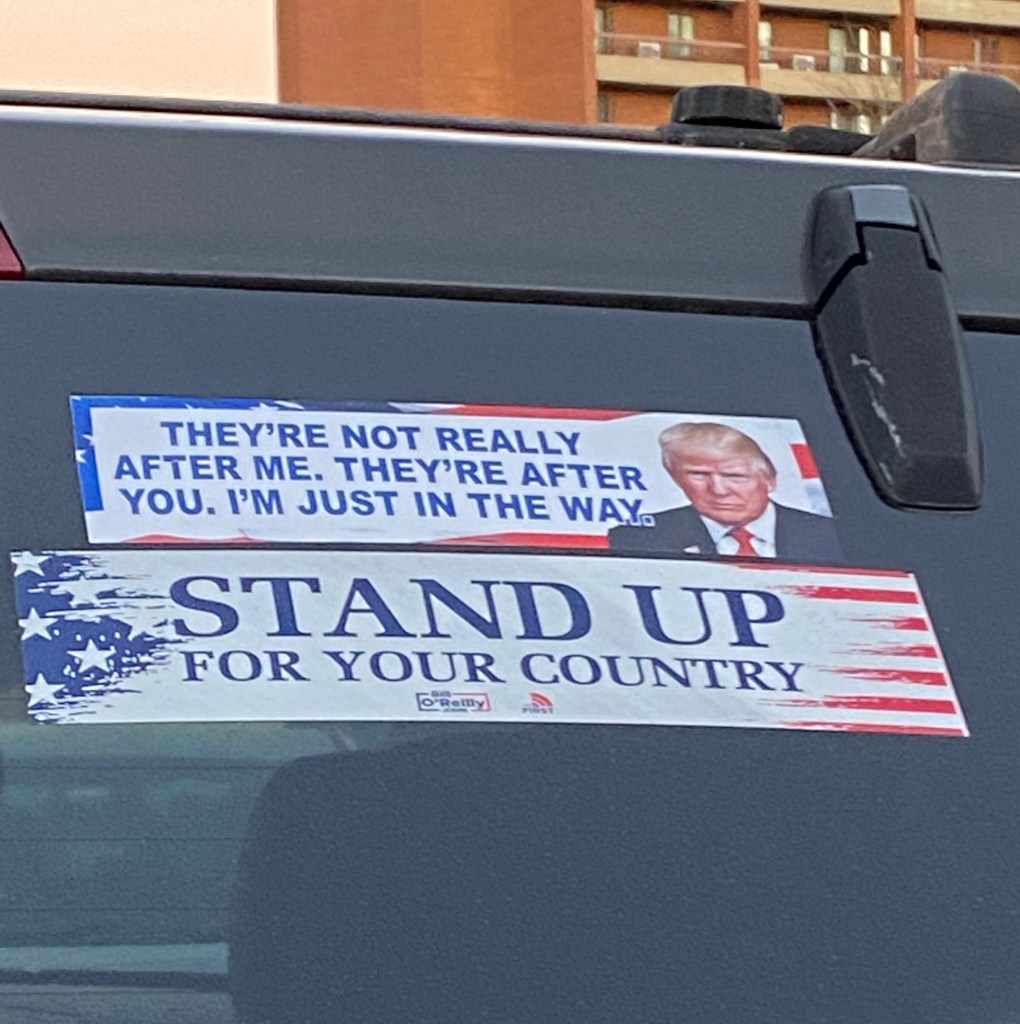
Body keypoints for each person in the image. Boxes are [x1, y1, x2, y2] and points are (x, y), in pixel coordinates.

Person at [608, 421, 841, 562]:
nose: (719, 491)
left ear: (769, 479)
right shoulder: (639, 537)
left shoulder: (830, 535)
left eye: (734, 476)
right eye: (698, 475)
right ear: (675, 478)